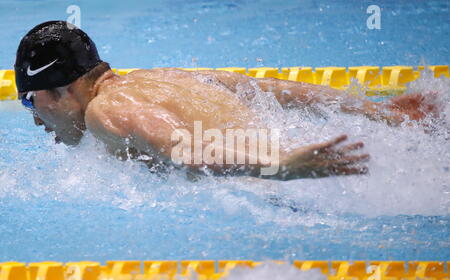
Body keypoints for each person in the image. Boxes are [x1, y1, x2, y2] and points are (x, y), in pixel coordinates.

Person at [14, 21, 438, 180]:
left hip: (281, 181)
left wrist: (285, 165)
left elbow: (187, 149)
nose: (34, 120)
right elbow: (270, 89)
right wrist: (380, 112)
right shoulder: (159, 78)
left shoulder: (107, 111)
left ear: (60, 89)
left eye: (31, 103)